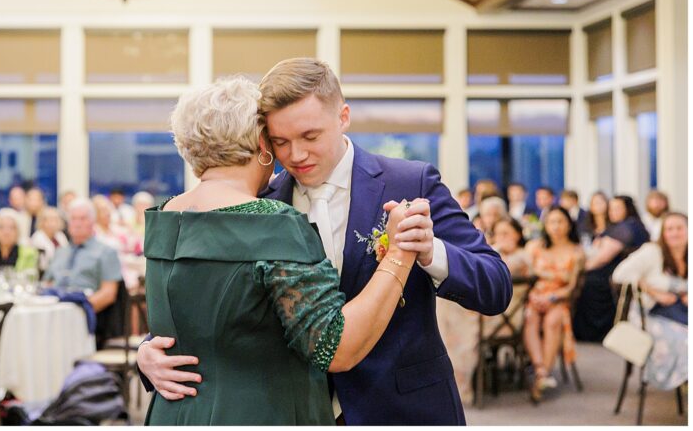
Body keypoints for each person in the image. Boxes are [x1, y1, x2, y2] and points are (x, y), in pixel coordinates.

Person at [139, 58, 512, 425]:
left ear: (343, 117)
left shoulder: (409, 182)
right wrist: (147, 353)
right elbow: (210, 308)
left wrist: (431, 253)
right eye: (281, 141)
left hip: (402, 409)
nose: (296, 155)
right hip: (296, 413)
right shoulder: (260, 207)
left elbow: (495, 285)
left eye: (310, 136)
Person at [612, 212, 687, 391]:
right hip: (650, 314)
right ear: (663, 232)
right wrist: (652, 291)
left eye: (679, 228)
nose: (675, 233)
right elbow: (619, 275)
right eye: (669, 229)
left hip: (682, 312)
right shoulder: (652, 252)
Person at [523, 207, 585, 400]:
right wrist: (534, 296)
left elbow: (571, 287)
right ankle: (540, 368)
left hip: (559, 297)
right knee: (529, 317)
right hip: (535, 295)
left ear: (568, 224)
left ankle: (542, 375)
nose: (556, 226)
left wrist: (553, 297)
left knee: (553, 321)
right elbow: (525, 276)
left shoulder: (577, 252)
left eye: (561, 221)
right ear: (545, 225)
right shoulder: (535, 247)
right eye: (552, 222)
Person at [573, 195, 649, 342]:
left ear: (627, 209)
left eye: (617, 208)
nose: (612, 212)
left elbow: (602, 258)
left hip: (620, 276)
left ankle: (595, 332)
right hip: (616, 271)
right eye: (611, 208)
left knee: (589, 282)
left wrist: (580, 270)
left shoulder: (627, 227)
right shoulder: (621, 226)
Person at [44, 199, 122, 314]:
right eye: (73, 219)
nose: (77, 224)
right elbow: (47, 284)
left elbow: (108, 294)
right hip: (53, 312)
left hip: (84, 313)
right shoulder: (60, 252)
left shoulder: (106, 252)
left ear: (93, 222)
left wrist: (80, 312)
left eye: (83, 219)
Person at [31, 206, 69, 271]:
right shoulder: (37, 237)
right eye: (50, 220)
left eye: (56, 220)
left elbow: (67, 255)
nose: (53, 223)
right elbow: (41, 263)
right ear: (42, 222)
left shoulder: (60, 236)